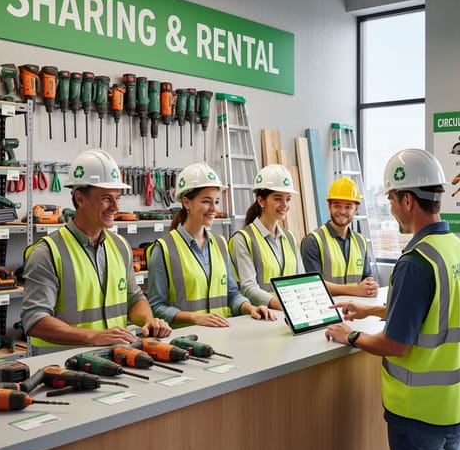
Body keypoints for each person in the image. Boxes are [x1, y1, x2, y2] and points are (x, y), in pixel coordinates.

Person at [325, 149, 460, 450]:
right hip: (456, 403)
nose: (392, 209)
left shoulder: (416, 260)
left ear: (407, 200)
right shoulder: (458, 249)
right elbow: (436, 311)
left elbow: (395, 344)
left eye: (392, 201)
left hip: (419, 411)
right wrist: (371, 311)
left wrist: (350, 335)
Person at [20, 149, 172, 356]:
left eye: (117, 198)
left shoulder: (120, 246)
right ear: (80, 198)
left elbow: (134, 297)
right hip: (63, 367)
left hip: (116, 359)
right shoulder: (47, 252)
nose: (115, 206)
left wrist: (148, 320)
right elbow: (35, 320)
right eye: (106, 198)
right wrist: (92, 337)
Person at [146, 163, 275, 327]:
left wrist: (250, 308)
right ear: (186, 202)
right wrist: (195, 318)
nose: (214, 208)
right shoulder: (164, 249)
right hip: (184, 343)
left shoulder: (220, 244)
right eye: (207, 201)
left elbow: (232, 293)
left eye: (216, 201)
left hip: (220, 338)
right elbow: (156, 307)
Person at [229, 164, 304, 310]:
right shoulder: (243, 239)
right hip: (261, 317)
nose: (284, 205)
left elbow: (301, 280)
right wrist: (281, 305)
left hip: (292, 315)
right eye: (277, 199)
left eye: (288, 199)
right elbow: (248, 288)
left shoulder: (290, 238)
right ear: (261, 200)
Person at [301, 177, 379, 297]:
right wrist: (355, 290)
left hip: (356, 309)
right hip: (327, 311)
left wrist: (370, 287)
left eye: (348, 207)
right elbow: (314, 285)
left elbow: (367, 277)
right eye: (337, 205)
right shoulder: (313, 241)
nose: (342, 211)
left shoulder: (361, 241)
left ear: (356, 209)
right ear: (329, 206)